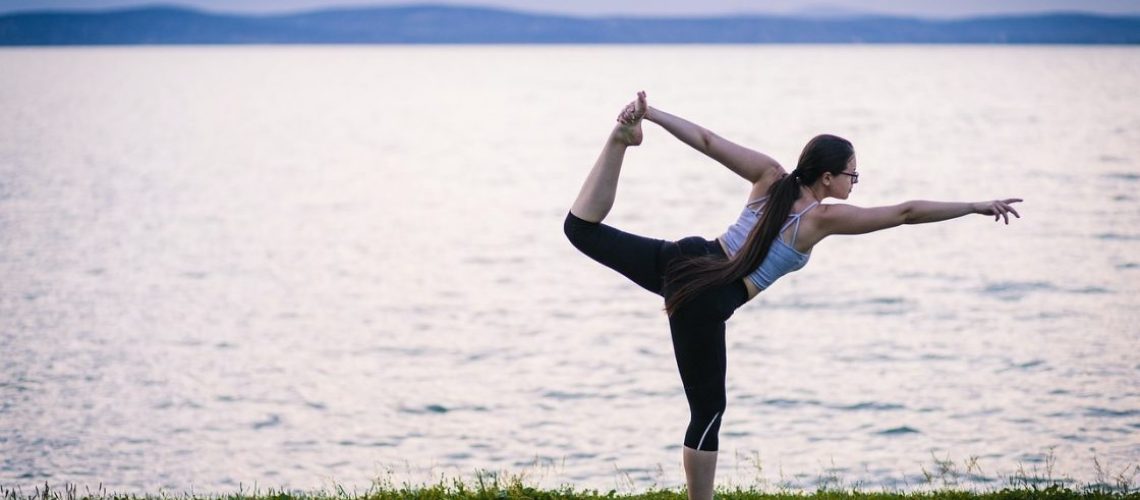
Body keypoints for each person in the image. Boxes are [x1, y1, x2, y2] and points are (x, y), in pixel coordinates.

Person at [563, 91, 1022, 500]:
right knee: (708, 411)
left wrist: (654, 114)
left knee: (580, 230)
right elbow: (904, 213)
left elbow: (706, 140)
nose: (854, 184)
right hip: (707, 297)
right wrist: (973, 206)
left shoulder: (769, 175)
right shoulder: (820, 219)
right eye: (852, 176)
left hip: (687, 256)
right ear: (827, 178)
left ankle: (620, 141)